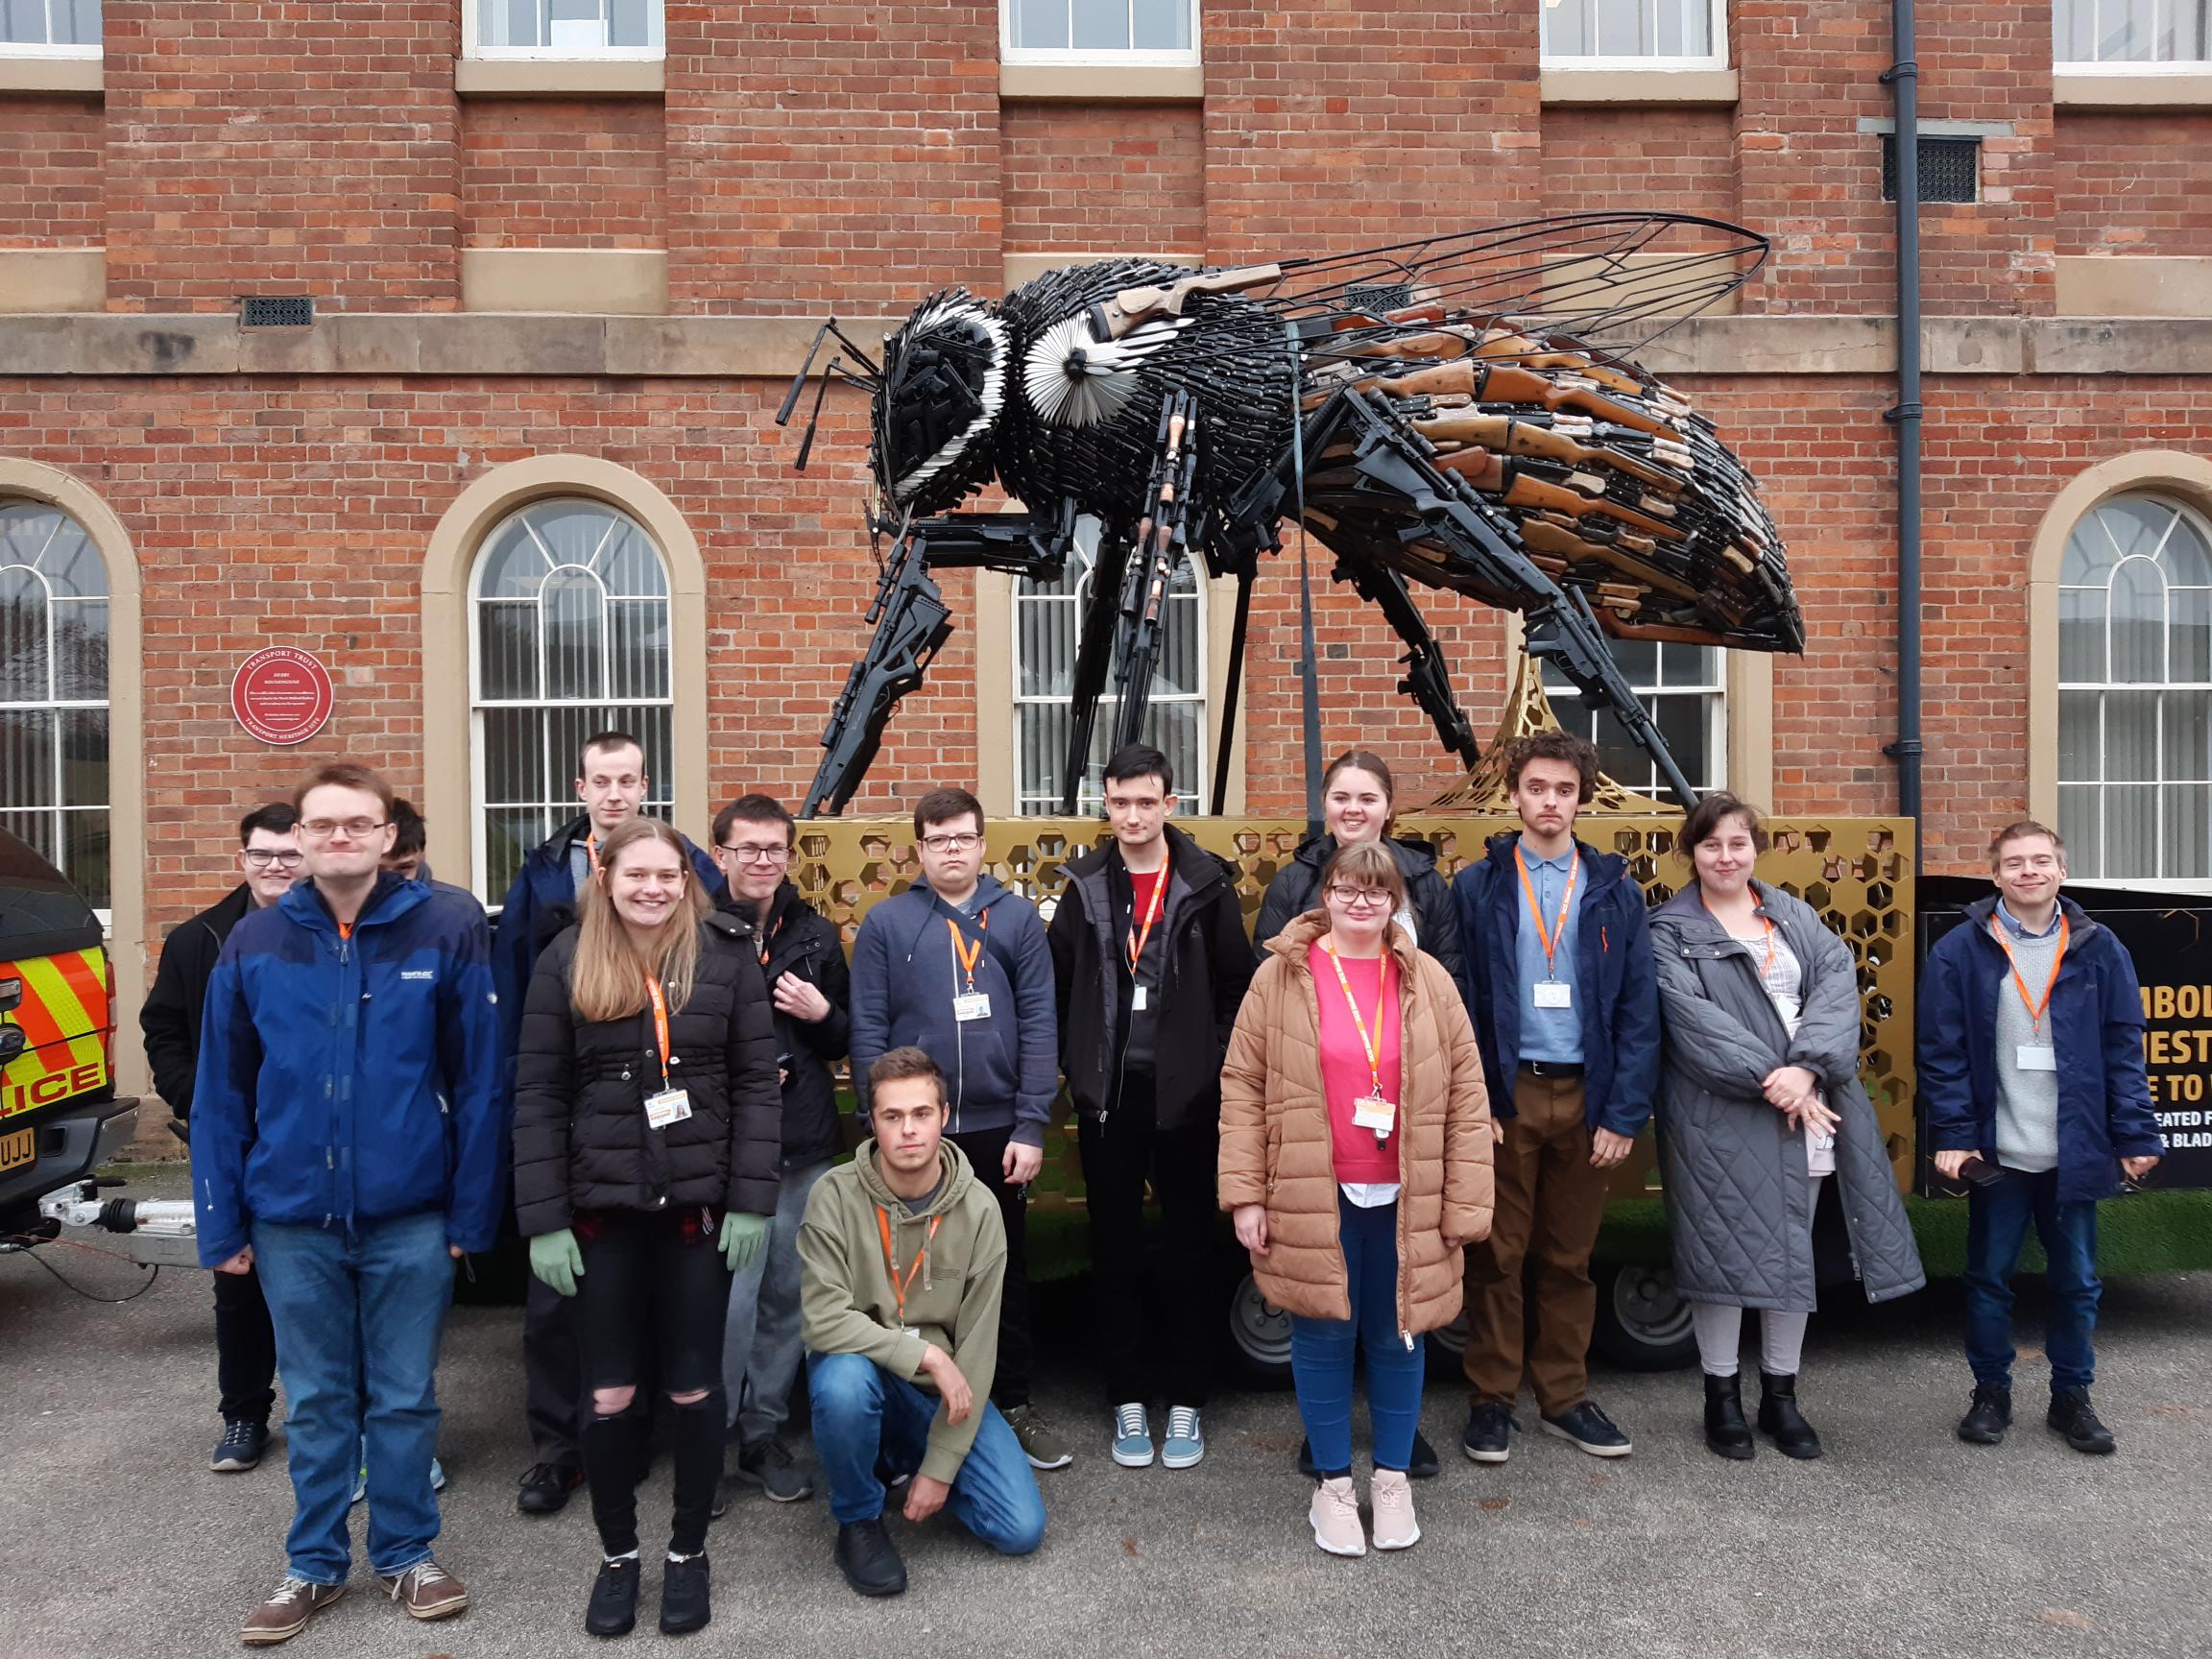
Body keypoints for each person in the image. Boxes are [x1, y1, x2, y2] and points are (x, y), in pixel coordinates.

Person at [191, 763, 502, 1646]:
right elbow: (221, 1095)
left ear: (385, 835)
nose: (337, 839)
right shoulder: (254, 944)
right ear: (298, 838)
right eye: (321, 826)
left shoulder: (446, 928)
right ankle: (314, 1565)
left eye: (355, 825)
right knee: (321, 1401)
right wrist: (222, 1222)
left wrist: (471, 1219)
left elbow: (481, 1085)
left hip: (411, 1215)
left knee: (405, 1397)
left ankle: (406, 1553)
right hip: (290, 1219)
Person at [513, 816, 781, 1637]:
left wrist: (751, 1201)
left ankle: (688, 1553)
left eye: (669, 875)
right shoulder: (564, 961)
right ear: (607, 879)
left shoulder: (726, 956)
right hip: (601, 1218)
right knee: (611, 1393)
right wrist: (544, 1220)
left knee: (696, 1389)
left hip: (698, 1215)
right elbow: (537, 1098)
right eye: (637, 875)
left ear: (688, 879)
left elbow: (756, 1087)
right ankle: (620, 1554)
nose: (654, 889)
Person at [1219, 841, 1492, 1556]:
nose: (1361, 902)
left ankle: (1392, 1480)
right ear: (1326, 894)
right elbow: (1242, 1089)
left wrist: (1465, 1204)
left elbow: (1467, 1094)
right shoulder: (1281, 978)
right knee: (1323, 1334)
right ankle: (1334, 1487)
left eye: (1376, 891)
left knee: (1400, 1332)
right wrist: (1246, 1195)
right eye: (1347, 888)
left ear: (1396, 899)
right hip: (1314, 1189)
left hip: (1409, 1192)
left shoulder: (1428, 979)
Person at [1647, 793, 1924, 1460]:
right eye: (1711, 845)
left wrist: (1808, 1070)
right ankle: (1721, 1401)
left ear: (1754, 849)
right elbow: (1694, 1027)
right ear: (1693, 853)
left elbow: (1836, 987)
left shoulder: (1793, 915)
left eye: (1737, 843)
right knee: (1722, 1259)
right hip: (1720, 1117)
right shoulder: (1668, 931)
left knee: (1789, 1252)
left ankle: (1781, 1398)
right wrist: (1781, 1080)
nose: (1725, 856)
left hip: (1812, 1107)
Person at [495, 731, 726, 1517]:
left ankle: (655, 1438)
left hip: (670, 1129)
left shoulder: (688, 863)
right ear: (581, 787)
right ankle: (562, 1451)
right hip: (581, 1123)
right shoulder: (541, 871)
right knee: (560, 1309)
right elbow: (518, 985)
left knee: (665, 1301)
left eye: (628, 779)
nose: (615, 792)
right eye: (602, 780)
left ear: (645, 784)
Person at [1921, 819, 2165, 1455]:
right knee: (1990, 1278)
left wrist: (2136, 1131)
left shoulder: (2100, 947)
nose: (2029, 871)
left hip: (2074, 1152)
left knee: (2077, 1281)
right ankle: (1991, 1394)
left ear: (2060, 869)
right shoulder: (1959, 950)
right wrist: (1953, 1133)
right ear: (1995, 875)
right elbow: (1942, 1052)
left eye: (2041, 861)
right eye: (2015, 863)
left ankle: (2071, 1399)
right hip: (1999, 1154)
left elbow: (2122, 1047)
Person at [1451, 729, 1660, 1462]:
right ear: (1514, 795)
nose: (1549, 802)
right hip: (1508, 1096)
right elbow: (1466, 1001)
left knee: (1568, 1259)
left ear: (1581, 798)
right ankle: (1491, 1398)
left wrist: (1624, 1111)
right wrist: (1478, 1100)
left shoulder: (1613, 890)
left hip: (1586, 1096)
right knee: (1498, 1256)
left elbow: (1640, 1008)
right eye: (1536, 788)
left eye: (1563, 790)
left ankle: (1564, 1395)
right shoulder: (1477, 887)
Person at [848, 787, 1069, 1472]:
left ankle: (1014, 1402)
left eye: (964, 838)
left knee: (1002, 1273)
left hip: (998, 1127)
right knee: (906, 1274)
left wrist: (1031, 1125)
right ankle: (908, 1412)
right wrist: (881, 1125)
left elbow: (1040, 1025)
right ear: (920, 849)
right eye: (938, 840)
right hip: (918, 1133)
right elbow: (868, 1031)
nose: (952, 850)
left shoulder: (1018, 921)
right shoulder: (888, 923)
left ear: (982, 845)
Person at [1046, 744, 1254, 1469]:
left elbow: (1237, 987)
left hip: (1187, 1100)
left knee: (1193, 1248)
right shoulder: (1084, 888)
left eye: (1146, 801)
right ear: (1106, 805)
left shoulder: (1204, 885)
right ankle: (1128, 1397)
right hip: (1110, 1099)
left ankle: (1189, 1397)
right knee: (1116, 1249)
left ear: (1171, 804)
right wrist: (1078, 1068)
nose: (1132, 816)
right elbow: (1060, 985)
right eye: (1119, 802)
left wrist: (1208, 1063)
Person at [801, 1047, 1047, 1598]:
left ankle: (905, 1458)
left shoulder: (981, 1209)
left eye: (921, 1114)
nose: (908, 1131)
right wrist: (929, 1355)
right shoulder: (833, 1196)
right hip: (866, 1370)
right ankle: (859, 1519)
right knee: (841, 1383)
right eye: (892, 1117)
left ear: (945, 1115)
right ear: (872, 1121)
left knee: (1021, 1528)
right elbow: (822, 1319)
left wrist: (940, 1467)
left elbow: (980, 1352)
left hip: (941, 1395)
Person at [140, 802, 301, 1475]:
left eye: (289, 855)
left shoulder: (340, 934)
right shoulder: (197, 938)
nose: (275, 867)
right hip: (231, 1139)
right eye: (262, 854)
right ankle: (244, 1415)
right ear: (242, 860)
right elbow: (164, 1031)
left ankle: (341, 1420)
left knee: (326, 1283)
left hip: (306, 1135)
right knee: (238, 1280)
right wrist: (199, 1100)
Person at [712, 792, 851, 1503]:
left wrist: (823, 1014)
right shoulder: (694, 931)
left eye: (776, 849)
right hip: (726, 1150)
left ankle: (763, 1432)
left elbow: (843, 1041)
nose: (764, 861)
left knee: (784, 1298)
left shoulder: (816, 935)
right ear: (721, 856)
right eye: (749, 849)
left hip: (801, 1141)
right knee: (724, 1303)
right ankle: (711, 1437)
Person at [1253, 748, 1462, 983]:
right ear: (1325, 803)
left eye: (1368, 799)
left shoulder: (1425, 883)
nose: (1353, 809)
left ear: (1389, 808)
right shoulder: (1291, 883)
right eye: (1341, 798)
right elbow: (1268, 974)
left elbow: (1449, 975)